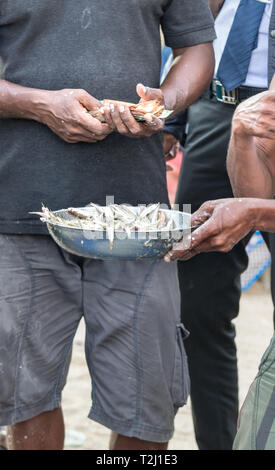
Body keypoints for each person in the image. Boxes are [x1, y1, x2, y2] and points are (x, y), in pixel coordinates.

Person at [0, 1, 215, 451]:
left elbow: (195, 49)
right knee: (24, 395)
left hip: (138, 221)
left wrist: (165, 103)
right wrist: (38, 105)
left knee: (147, 398)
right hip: (18, 205)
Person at [163, 0, 275, 450]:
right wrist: (173, 117)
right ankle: (221, 444)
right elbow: (187, 21)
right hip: (216, 103)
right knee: (198, 299)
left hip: (269, 111)